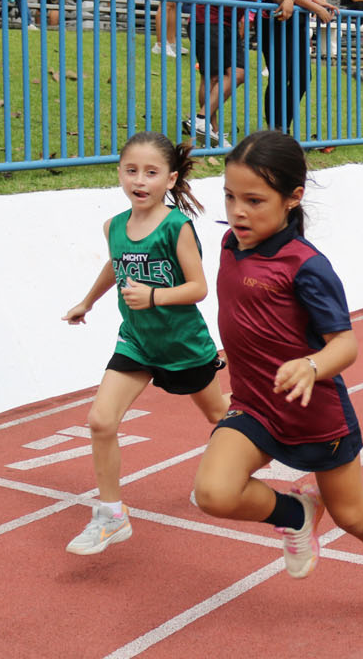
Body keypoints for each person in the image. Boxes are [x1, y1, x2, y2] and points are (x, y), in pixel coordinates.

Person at [192, 130, 363, 634]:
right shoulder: (229, 243)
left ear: (292, 197)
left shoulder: (306, 266)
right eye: (230, 197)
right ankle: (294, 513)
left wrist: (311, 365)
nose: (237, 212)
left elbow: (345, 344)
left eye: (254, 201)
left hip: (314, 415)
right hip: (254, 405)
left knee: (352, 515)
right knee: (213, 493)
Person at [61, 132, 229, 554]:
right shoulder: (114, 226)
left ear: (170, 179)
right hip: (136, 342)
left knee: (220, 416)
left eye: (151, 172)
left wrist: (154, 296)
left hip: (183, 345)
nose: (139, 180)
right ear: (119, 173)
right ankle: (111, 515)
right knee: (101, 420)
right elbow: (115, 264)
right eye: (131, 170)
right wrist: (87, 301)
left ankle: (248, 446)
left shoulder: (176, 227)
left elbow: (198, 287)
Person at [191, 0, 278, 147]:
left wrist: (288, 0)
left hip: (230, 21)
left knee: (238, 74)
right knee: (212, 76)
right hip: (207, 16)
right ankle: (209, 129)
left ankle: (201, 121)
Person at [262, 0, 335, 133]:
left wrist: (319, 2)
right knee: (280, 76)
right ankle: (276, 129)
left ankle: (283, 127)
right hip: (279, 21)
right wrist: (317, 9)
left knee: (302, 77)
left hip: (298, 23)